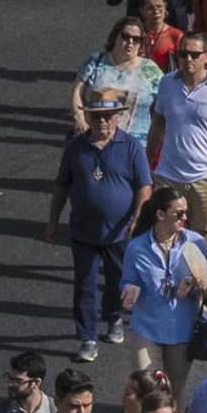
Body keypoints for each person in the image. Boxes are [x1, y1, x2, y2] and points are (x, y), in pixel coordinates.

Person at [49, 93, 153, 361]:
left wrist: (137, 218)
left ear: (117, 117)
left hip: (119, 233)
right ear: (88, 117)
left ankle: (114, 316)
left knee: (116, 280)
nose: (102, 121)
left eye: (107, 116)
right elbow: (61, 187)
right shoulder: (75, 148)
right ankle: (88, 338)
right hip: (83, 232)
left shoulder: (131, 146)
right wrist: (52, 223)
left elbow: (144, 186)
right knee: (84, 286)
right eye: (96, 116)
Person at [119, 184, 207, 397]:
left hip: (182, 328)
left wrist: (194, 284)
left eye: (186, 212)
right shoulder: (137, 247)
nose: (185, 218)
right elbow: (127, 280)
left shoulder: (196, 242)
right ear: (160, 215)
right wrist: (130, 289)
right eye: (179, 213)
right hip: (147, 327)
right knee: (147, 390)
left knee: (173, 393)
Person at [147, 32, 207, 241]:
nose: (188, 59)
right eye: (183, 54)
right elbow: (158, 123)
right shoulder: (167, 83)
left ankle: (204, 265)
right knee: (164, 232)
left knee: (203, 237)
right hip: (168, 175)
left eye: (194, 54)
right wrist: (147, 160)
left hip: (205, 176)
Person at [72, 16, 163, 140]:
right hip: (96, 137)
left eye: (136, 39)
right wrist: (79, 118)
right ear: (115, 36)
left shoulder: (150, 69)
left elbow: (167, 100)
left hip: (137, 142)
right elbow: (77, 90)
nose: (130, 42)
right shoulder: (95, 61)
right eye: (126, 36)